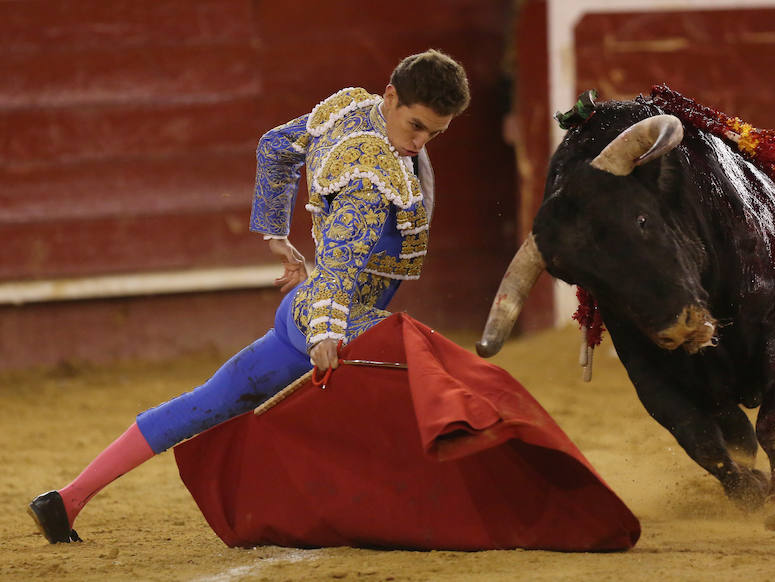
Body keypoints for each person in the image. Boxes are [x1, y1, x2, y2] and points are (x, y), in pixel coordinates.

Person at [28, 49, 470, 544]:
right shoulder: (369, 176)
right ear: (390, 97)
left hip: (298, 313)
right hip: (332, 317)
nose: (420, 143)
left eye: (434, 134)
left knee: (207, 402)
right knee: (434, 369)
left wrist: (275, 233)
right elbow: (342, 266)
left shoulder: (348, 110)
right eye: (416, 126)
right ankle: (450, 509)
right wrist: (326, 329)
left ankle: (67, 499)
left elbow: (276, 146)